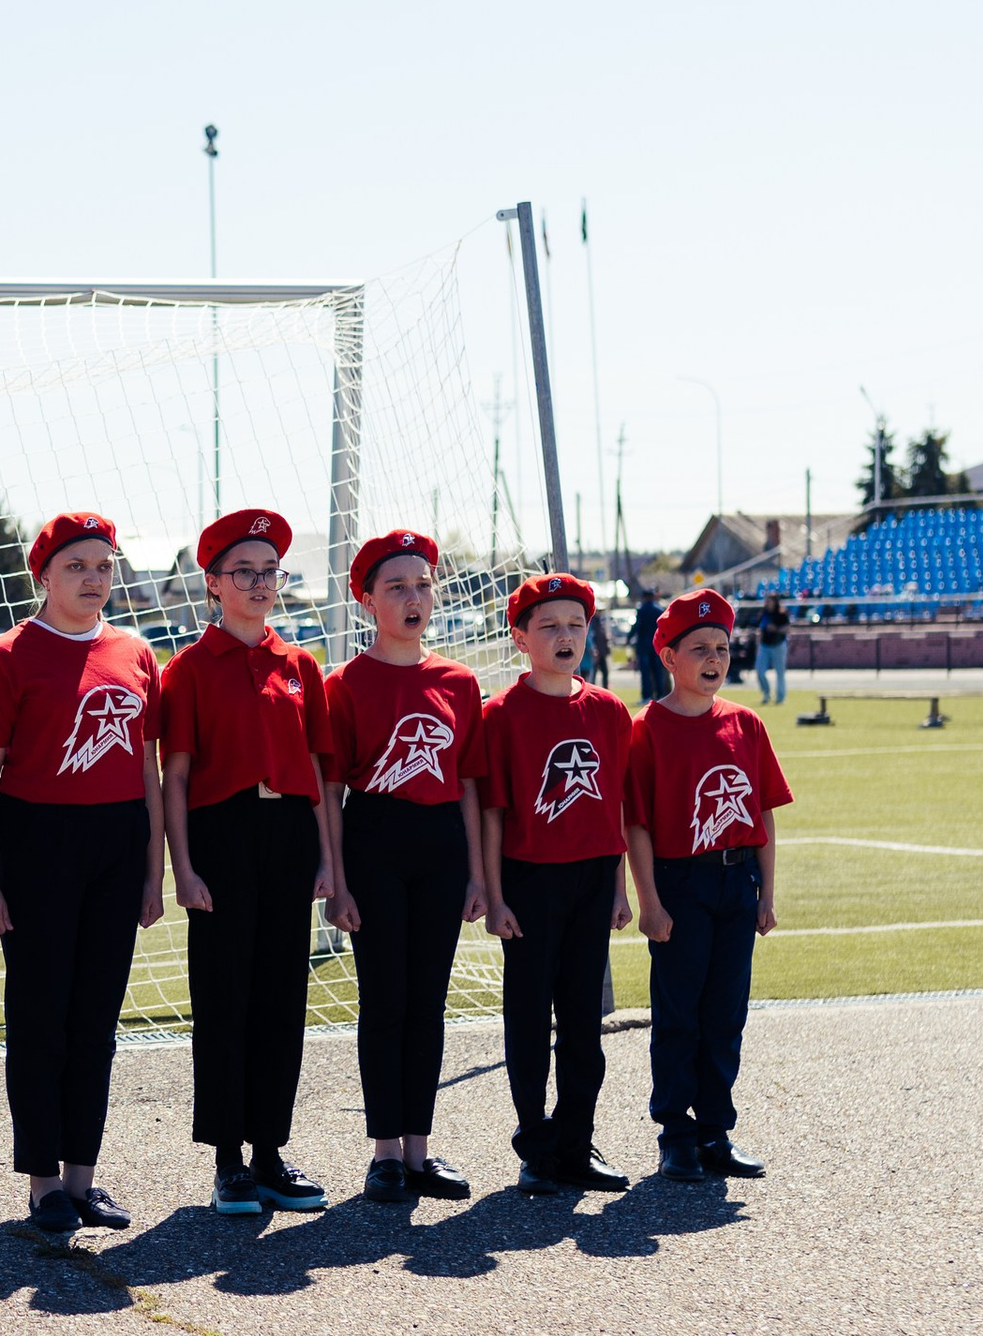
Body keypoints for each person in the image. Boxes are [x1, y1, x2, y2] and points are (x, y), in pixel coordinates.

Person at [0, 509, 165, 1240]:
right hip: (38, 839)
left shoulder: (138, 653)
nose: (92, 579)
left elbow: (145, 768)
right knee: (42, 1016)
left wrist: (153, 869)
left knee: (96, 1021)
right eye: (77, 565)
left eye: (104, 566)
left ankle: (83, 1176)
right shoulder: (8, 655)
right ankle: (43, 1181)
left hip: (117, 841)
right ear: (42, 574)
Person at [158, 506, 339, 1217]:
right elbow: (175, 778)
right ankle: (229, 1160)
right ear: (213, 582)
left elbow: (322, 774)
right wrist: (184, 867)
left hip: (290, 834)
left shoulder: (301, 666)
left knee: (280, 1002)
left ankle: (270, 1153)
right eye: (245, 573)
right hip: (222, 836)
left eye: (270, 572)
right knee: (225, 999)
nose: (261, 584)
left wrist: (327, 859)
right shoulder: (189, 670)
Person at [323, 529, 485, 1204]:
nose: (413, 598)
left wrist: (477, 872)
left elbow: (471, 784)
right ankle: (385, 1151)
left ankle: (419, 1149)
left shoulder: (459, 681)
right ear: (367, 600)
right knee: (385, 998)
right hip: (374, 838)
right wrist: (333, 879)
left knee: (428, 1000)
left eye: (422, 584)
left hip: (441, 841)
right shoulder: (344, 685)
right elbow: (331, 790)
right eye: (396, 587)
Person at [623, 586, 793, 1183]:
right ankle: (676, 1134)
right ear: (668, 657)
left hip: (735, 879)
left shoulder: (745, 724)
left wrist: (767, 894)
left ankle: (716, 1130)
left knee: (726, 1012)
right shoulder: (645, 729)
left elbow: (764, 814)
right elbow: (636, 823)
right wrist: (649, 901)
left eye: (721, 647)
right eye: (699, 649)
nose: (714, 659)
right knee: (679, 1015)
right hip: (679, 882)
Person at [476, 576, 633, 1195]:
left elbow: (615, 806)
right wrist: (493, 894)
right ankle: (534, 1143)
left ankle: (577, 1140)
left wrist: (619, 888)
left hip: (593, 879)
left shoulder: (609, 711)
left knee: (582, 1021)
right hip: (529, 879)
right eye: (549, 626)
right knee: (527, 1015)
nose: (564, 636)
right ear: (520, 638)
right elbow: (491, 812)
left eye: (575, 624)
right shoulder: (500, 714)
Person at [755, 589, 791, 703]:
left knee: (780, 672)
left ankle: (780, 697)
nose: (768, 603)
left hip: (778, 645)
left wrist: (776, 629)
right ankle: (766, 693)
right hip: (765, 645)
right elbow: (760, 629)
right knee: (760, 670)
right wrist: (758, 645)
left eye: (770, 601)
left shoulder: (781, 613)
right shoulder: (764, 613)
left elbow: (787, 628)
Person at [630, 589, 665, 707]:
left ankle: (647, 696)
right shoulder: (659, 609)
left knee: (645, 673)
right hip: (657, 645)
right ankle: (660, 695)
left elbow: (637, 626)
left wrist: (629, 637)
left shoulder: (642, 610)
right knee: (657, 671)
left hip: (643, 645)